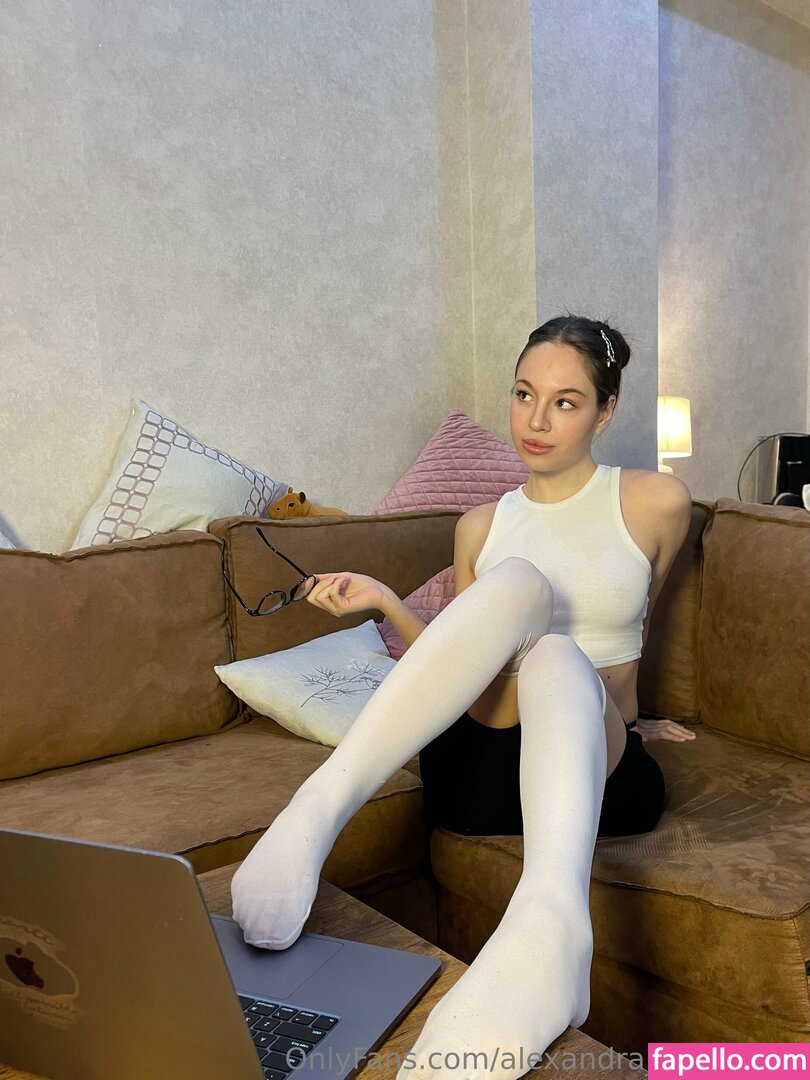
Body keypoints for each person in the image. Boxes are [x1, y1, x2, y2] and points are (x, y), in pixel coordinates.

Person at [230, 314, 696, 1080]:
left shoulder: (657, 502)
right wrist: (386, 602)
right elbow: (462, 661)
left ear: (606, 411)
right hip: (481, 764)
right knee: (518, 588)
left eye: (566, 402)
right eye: (523, 394)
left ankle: (551, 931)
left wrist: (640, 715)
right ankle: (317, 811)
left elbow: (640, 627)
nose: (536, 420)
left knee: (557, 654)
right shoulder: (481, 526)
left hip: (593, 769)